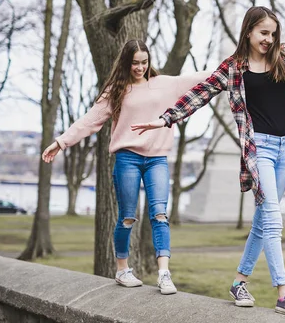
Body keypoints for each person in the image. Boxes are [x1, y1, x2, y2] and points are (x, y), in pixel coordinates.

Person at [131, 6, 285, 316]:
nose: (269, 39)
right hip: (259, 149)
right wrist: (166, 118)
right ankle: (284, 293)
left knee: (263, 222)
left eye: (273, 33)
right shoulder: (234, 67)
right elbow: (200, 93)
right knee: (274, 218)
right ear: (248, 31)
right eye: (264, 32)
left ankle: (239, 283)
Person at [42, 39, 210, 294]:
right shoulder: (117, 90)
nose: (140, 67)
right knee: (127, 217)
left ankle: (164, 274)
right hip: (127, 158)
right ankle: (122, 269)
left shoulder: (165, 83)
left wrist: (242, 58)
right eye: (135, 63)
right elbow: (89, 121)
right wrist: (61, 142)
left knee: (160, 214)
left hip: (157, 159)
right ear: (126, 62)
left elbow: (204, 76)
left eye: (144, 62)